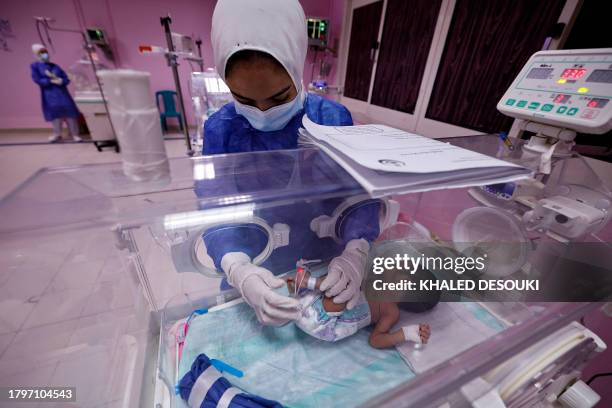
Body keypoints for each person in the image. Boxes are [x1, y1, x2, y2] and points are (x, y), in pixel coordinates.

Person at [198, 0, 383, 327]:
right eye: (244, 99)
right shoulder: (221, 130)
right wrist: (238, 269)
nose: (263, 112)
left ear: (298, 66)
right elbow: (216, 208)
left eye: (279, 97)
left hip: (325, 264)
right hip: (257, 265)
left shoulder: (331, 120)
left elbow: (357, 198)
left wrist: (356, 252)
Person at [287, 270, 432, 347]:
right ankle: (300, 286)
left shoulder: (391, 310)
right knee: (343, 277)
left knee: (344, 291)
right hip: (312, 299)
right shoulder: (377, 279)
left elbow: (375, 340)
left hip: (322, 322)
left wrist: (403, 334)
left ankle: (310, 282)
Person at [30, 44, 82, 143]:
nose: (45, 55)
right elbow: (37, 79)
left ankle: (75, 134)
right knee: (56, 115)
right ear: (36, 55)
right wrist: (49, 81)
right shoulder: (35, 66)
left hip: (62, 93)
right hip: (50, 95)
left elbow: (66, 79)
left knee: (70, 113)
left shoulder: (55, 66)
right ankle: (57, 134)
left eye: (45, 52)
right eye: (41, 53)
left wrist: (61, 81)